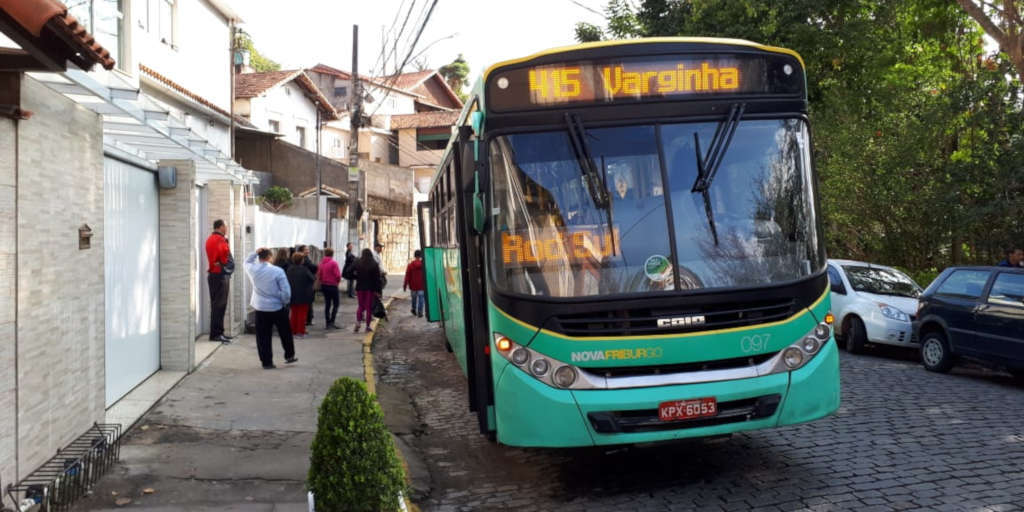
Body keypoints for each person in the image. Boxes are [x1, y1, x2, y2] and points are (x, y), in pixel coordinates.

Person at [244, 248, 297, 369]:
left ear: (259, 257)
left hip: (261, 307)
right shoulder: (277, 271)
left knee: (263, 336)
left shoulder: (253, 269)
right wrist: (284, 301)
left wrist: (255, 252)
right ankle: (289, 355)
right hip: (277, 306)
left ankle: (267, 362)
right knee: (285, 332)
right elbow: (286, 292)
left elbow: (246, 262)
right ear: (270, 257)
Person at [205, 219, 234, 343]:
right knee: (220, 306)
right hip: (220, 275)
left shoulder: (210, 238)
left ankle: (218, 333)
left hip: (214, 274)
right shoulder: (220, 239)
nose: (226, 229)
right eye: (225, 226)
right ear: (221, 226)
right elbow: (224, 255)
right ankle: (217, 334)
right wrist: (226, 265)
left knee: (216, 305)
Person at [353, 248, 383, 333]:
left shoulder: (358, 263)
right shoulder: (374, 264)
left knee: (360, 306)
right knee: (368, 307)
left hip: (359, 288)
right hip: (370, 289)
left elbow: (348, 271)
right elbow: (377, 279)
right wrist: (379, 291)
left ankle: (358, 322)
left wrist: (355, 276)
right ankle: (367, 327)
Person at [286, 252, 315, 338]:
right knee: (302, 314)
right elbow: (312, 279)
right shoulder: (304, 269)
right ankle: (300, 331)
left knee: (294, 313)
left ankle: (293, 330)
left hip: (292, 294)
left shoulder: (289, 269)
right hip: (304, 294)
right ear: (301, 260)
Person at [318, 248, 342, 329]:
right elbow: (338, 275)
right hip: (333, 285)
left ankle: (327, 323)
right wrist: (337, 282)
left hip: (324, 285)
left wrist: (322, 281)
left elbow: (320, 275)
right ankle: (332, 321)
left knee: (327, 304)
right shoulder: (333, 263)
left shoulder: (321, 263)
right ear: (332, 254)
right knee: (336, 304)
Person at [296, 245, 318, 326]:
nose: (308, 251)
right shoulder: (304, 260)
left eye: (308, 249)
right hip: (306, 284)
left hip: (305, 283)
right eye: (306, 250)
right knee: (308, 302)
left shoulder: (306, 258)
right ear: (301, 251)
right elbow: (312, 267)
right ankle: (308, 319)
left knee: (307, 303)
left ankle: (308, 319)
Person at [403, 250, 426, 317]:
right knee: (421, 299)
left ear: (414, 256)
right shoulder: (423, 265)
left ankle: (413, 309)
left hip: (413, 286)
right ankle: (420, 312)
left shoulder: (410, 265)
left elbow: (407, 276)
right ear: (420, 256)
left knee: (414, 299)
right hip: (421, 286)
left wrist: (405, 285)